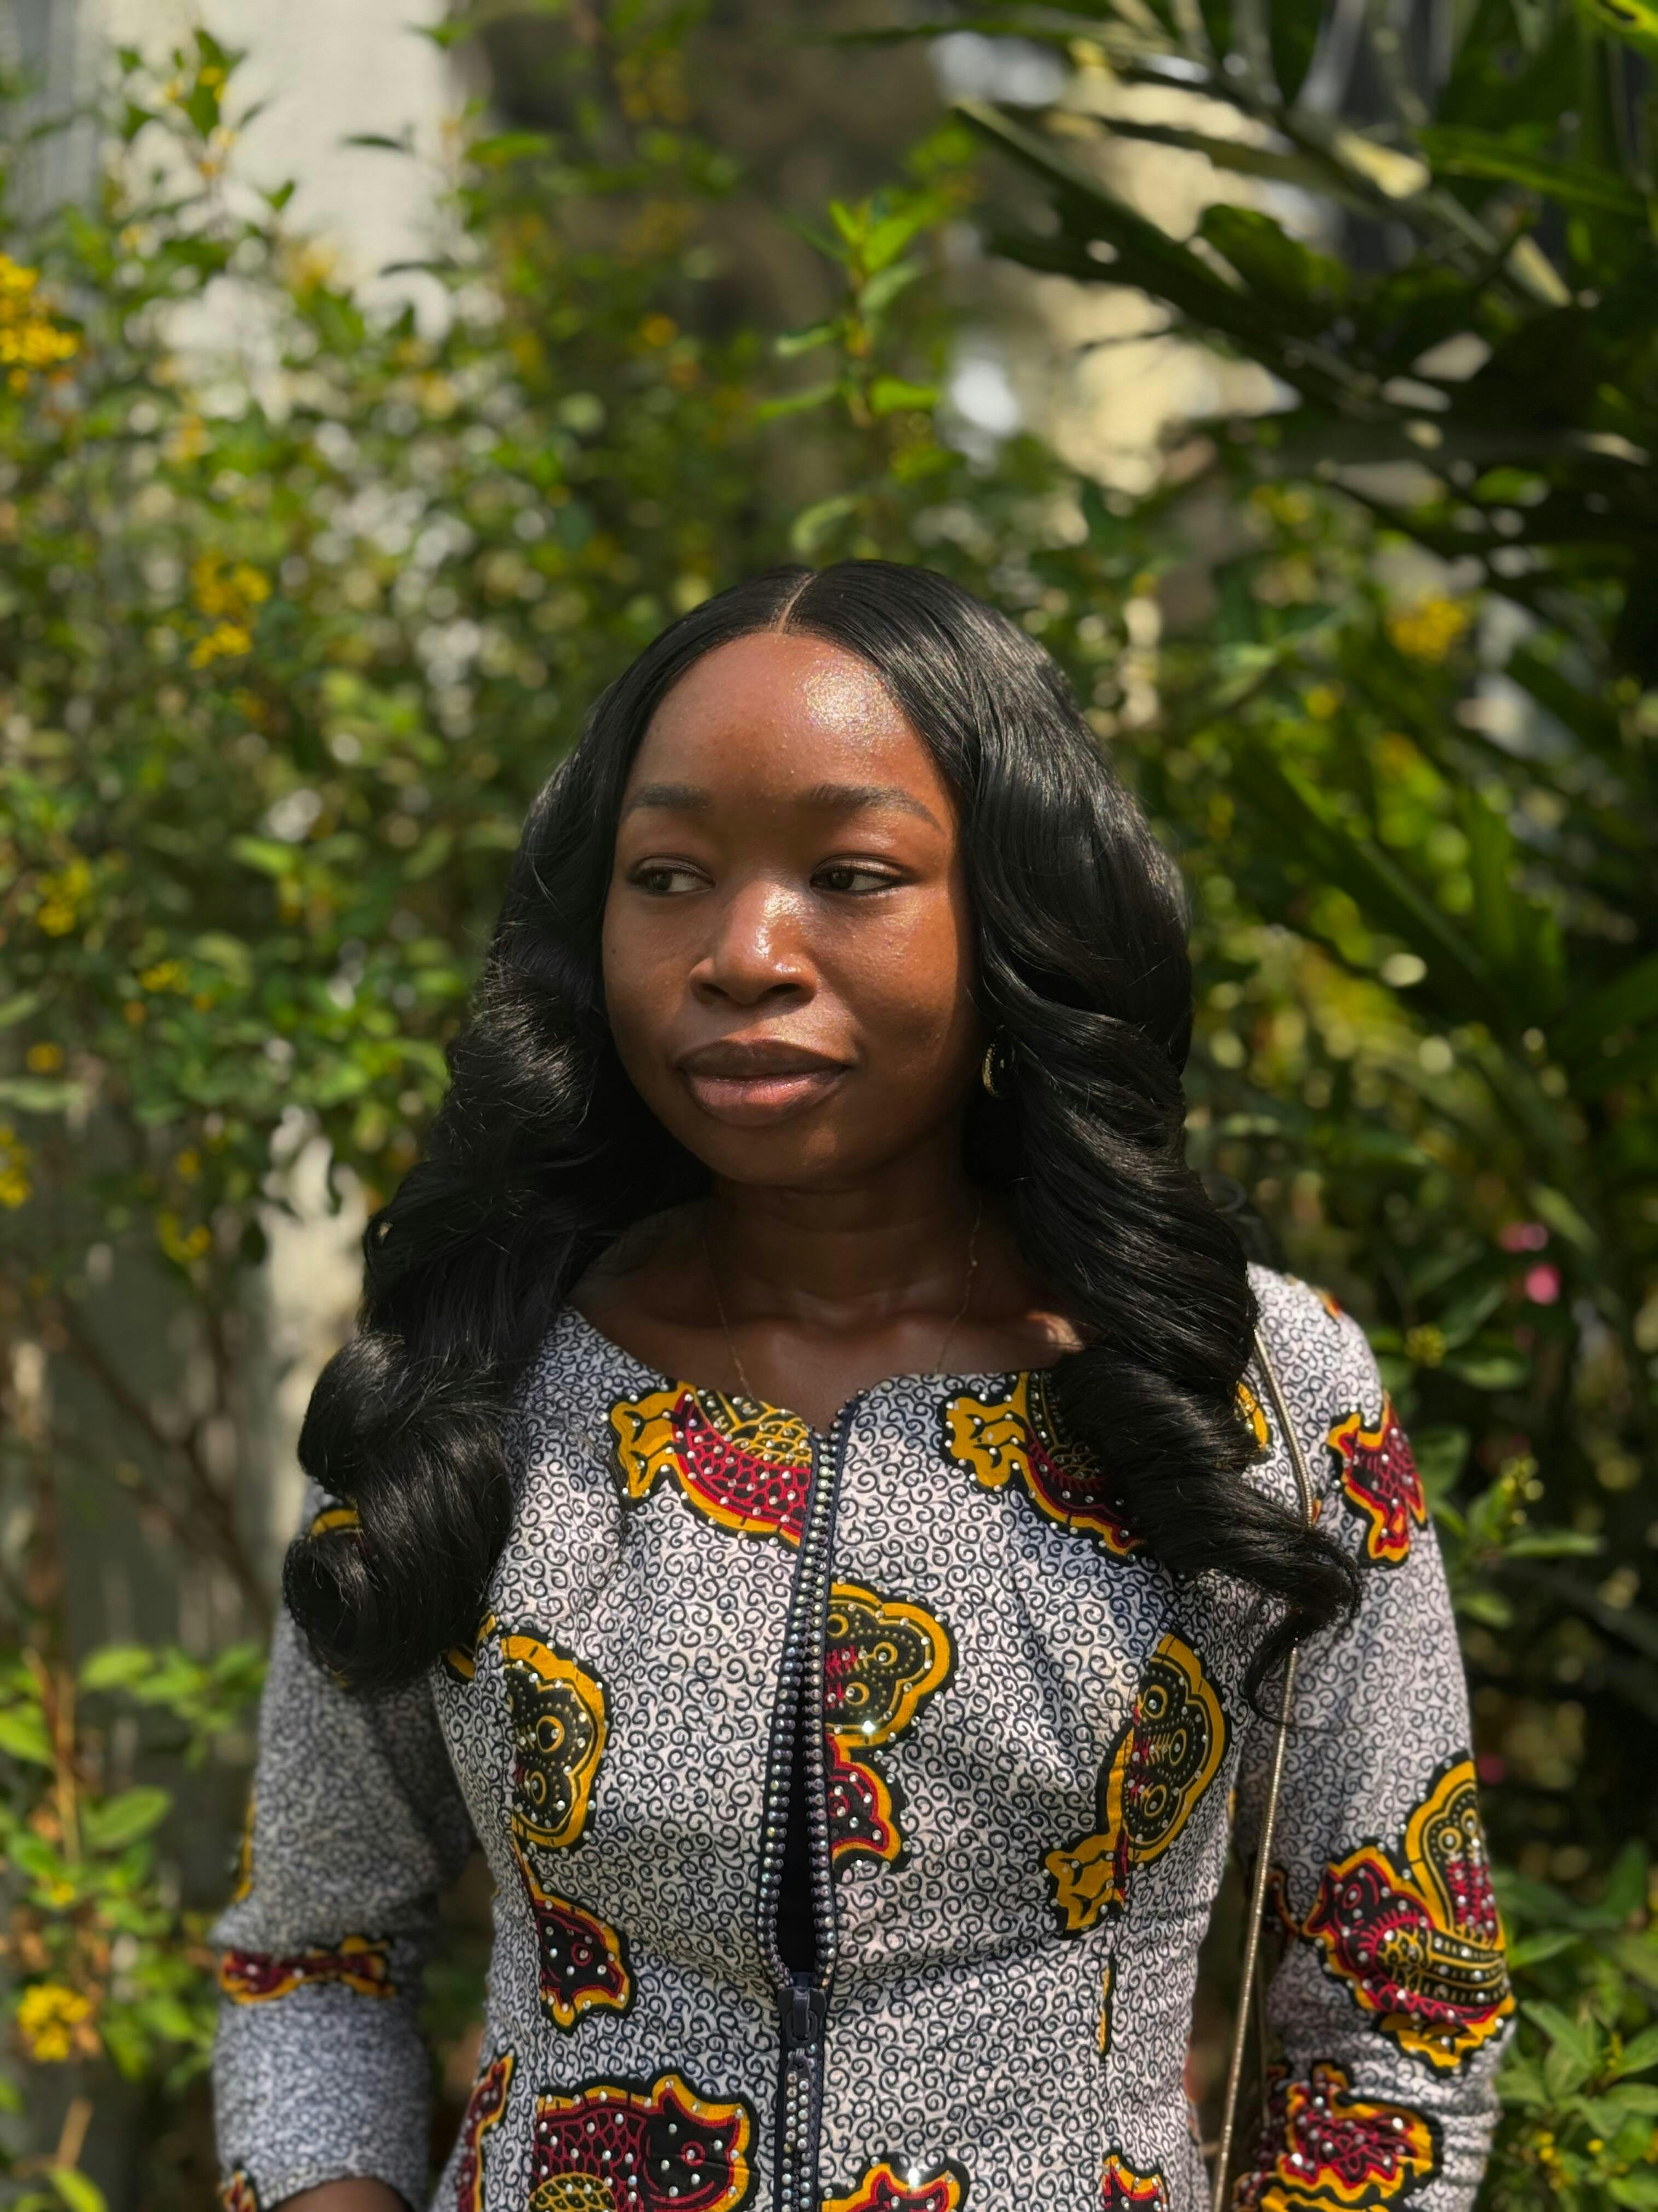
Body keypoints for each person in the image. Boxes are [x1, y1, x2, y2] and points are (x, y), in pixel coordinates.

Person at [210, 561, 1513, 2212]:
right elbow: (309, 1956)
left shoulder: (1243, 1386)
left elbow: (1403, 2016)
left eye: (851, 874)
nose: (744, 953)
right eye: (668, 875)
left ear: (1013, 914)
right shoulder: (467, 1382)